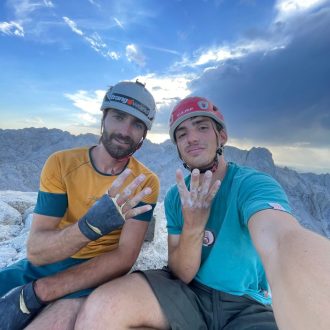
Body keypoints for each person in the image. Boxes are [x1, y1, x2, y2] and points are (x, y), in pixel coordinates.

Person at [75, 96, 330, 330]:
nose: (192, 138)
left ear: (222, 136)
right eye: (182, 133)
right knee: (102, 310)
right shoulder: (177, 197)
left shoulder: (252, 185)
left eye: (202, 127)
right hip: (188, 295)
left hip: (247, 306)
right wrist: (194, 225)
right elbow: (182, 273)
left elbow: (280, 239)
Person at [0, 80, 160, 330]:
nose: (125, 131)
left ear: (143, 134)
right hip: (43, 263)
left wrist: (41, 291)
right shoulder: (62, 164)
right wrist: (89, 227)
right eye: (118, 117)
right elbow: (36, 250)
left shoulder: (144, 182)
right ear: (104, 117)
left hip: (93, 275)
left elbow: (124, 257)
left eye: (137, 124)